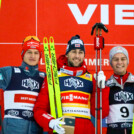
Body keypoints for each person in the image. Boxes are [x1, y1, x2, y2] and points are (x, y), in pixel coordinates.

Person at [33, 35, 108, 134]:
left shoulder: (91, 79)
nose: (77, 56)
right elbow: (39, 110)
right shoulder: (54, 77)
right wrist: (50, 121)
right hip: (62, 130)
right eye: (74, 52)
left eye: (80, 52)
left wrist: (102, 87)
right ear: (67, 54)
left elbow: (100, 114)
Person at [0, 36, 46, 134]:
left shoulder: (44, 78)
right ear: (23, 54)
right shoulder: (9, 72)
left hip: (35, 130)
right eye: (29, 52)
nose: (32, 56)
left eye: (36, 53)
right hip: (12, 129)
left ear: (40, 56)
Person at [105, 46, 134, 134]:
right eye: (115, 59)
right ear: (111, 63)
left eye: (123, 59)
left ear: (127, 61)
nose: (120, 62)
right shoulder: (106, 85)